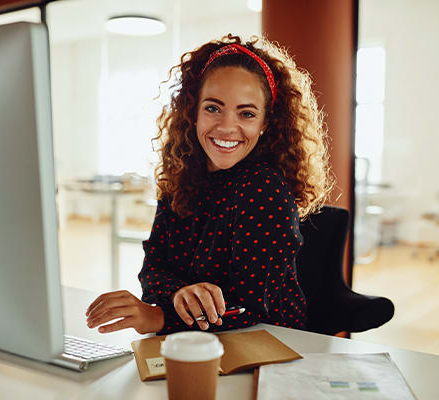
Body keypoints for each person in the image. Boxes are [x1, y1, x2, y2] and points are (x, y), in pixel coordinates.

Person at [85, 34, 332, 335]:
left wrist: (160, 317)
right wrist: (178, 294)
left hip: (268, 341)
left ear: (265, 123)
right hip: (196, 338)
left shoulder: (265, 188)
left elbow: (250, 307)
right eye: (213, 108)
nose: (227, 127)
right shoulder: (181, 175)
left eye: (247, 113)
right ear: (193, 111)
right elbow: (153, 270)